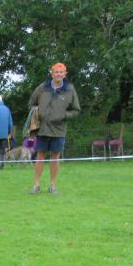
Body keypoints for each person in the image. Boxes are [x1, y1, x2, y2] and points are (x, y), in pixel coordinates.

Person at [29, 63, 81, 194]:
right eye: (56, 72)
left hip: (59, 129)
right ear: (51, 73)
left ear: (65, 74)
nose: (58, 74)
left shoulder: (70, 89)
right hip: (41, 128)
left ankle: (52, 186)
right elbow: (31, 103)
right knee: (40, 155)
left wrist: (63, 115)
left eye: (61, 72)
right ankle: (36, 185)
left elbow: (76, 110)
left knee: (55, 157)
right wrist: (35, 112)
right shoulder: (42, 87)